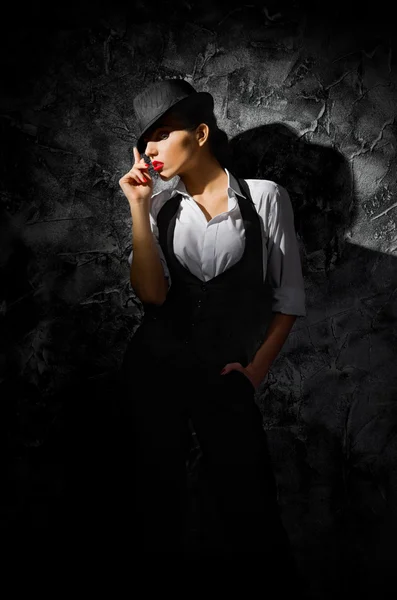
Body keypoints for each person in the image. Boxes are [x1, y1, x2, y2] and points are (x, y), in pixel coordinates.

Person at [117, 78, 306, 583]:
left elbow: (287, 300)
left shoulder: (264, 199)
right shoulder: (159, 207)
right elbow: (153, 297)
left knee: (252, 510)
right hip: (153, 371)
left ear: (200, 133)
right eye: (144, 142)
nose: (149, 151)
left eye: (161, 134)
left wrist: (253, 374)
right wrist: (138, 207)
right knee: (154, 511)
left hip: (225, 377)